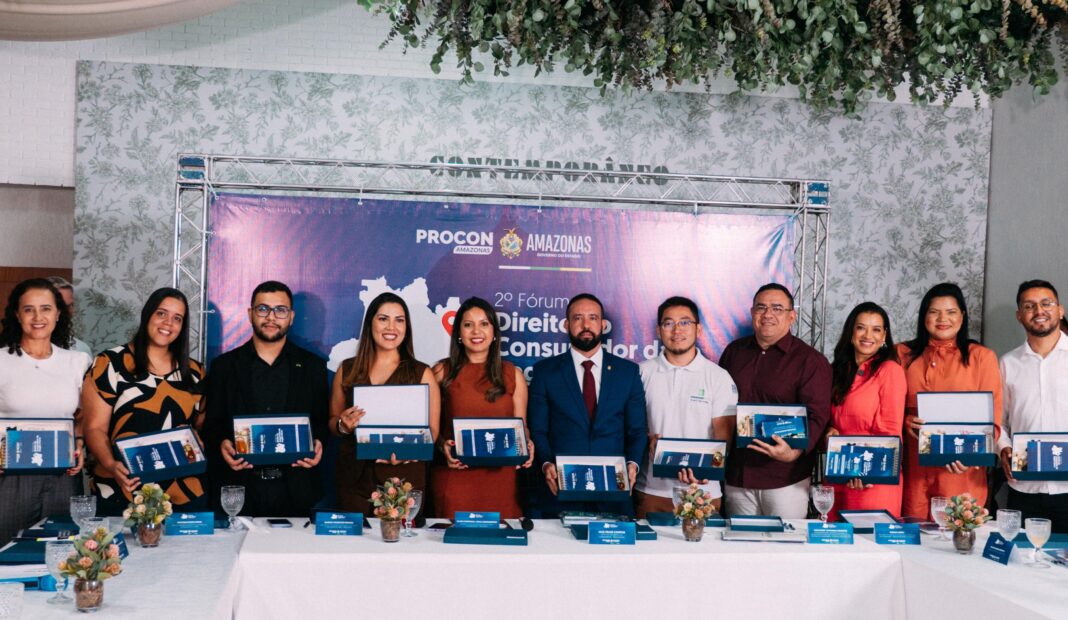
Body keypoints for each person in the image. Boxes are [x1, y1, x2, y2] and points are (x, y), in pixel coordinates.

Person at [203, 281, 328, 517]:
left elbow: (321, 421)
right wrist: (221, 443)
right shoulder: (223, 367)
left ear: (291, 317)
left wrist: (319, 442)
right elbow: (212, 424)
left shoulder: (313, 367)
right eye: (263, 309)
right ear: (250, 314)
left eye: (280, 310)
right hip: (240, 487)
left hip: (296, 489)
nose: (271, 317)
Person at [81, 287, 207, 514]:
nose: (168, 323)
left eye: (177, 318)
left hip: (182, 491)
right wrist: (111, 464)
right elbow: (94, 427)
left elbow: (200, 428)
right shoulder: (110, 364)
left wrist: (199, 438)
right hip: (123, 485)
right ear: (147, 315)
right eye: (161, 313)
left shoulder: (195, 372)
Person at [527, 293, 648, 517]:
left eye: (593, 318)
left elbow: (637, 430)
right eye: (578, 318)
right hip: (560, 489)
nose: (585, 325)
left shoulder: (627, 372)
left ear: (603, 324)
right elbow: (538, 430)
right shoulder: (545, 372)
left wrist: (633, 464)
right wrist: (546, 464)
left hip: (614, 492)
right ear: (566, 325)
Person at [719, 283, 832, 519]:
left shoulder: (811, 361)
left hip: (785, 478)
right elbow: (719, 407)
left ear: (792, 316)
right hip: (738, 476)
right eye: (761, 307)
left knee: (786, 542)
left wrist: (794, 453)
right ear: (752, 313)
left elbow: (817, 416)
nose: (768, 314)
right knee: (739, 542)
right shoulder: (733, 353)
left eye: (777, 308)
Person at [898, 282, 1002, 520]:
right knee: (913, 535)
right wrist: (904, 420)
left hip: (961, 472)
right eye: (934, 312)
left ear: (962, 316)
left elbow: (993, 419)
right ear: (924, 316)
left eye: (951, 312)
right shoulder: (901, 355)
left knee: (956, 534)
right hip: (913, 472)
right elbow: (885, 407)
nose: (942, 319)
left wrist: (972, 456)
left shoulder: (981, 357)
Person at [330, 292, 441, 515]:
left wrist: (407, 452)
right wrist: (344, 425)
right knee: (357, 537)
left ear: (406, 327)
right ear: (370, 324)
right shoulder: (347, 369)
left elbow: (433, 431)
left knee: (401, 537)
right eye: (383, 319)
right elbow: (333, 422)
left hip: (404, 482)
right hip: (355, 479)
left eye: (399, 320)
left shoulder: (422, 373)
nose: (391, 327)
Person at [0, 279, 90, 544]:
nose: (38, 317)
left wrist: (79, 441)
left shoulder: (78, 361)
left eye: (46, 309)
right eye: (29, 309)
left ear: (58, 314)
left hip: (63, 474)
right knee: (7, 552)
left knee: (62, 550)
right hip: (10, 477)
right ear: (17, 315)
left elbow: (84, 414)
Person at [634, 296, 736, 517]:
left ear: (698, 329)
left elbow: (724, 439)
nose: (677, 330)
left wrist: (706, 469)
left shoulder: (718, 377)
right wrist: (648, 439)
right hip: (651, 491)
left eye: (685, 322)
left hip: (702, 491)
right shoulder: (640, 373)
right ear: (659, 330)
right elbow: (630, 427)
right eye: (668, 323)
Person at [432, 297, 534, 519]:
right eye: (468, 324)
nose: (476, 331)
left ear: (494, 332)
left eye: (484, 324)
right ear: (459, 333)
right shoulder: (441, 372)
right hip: (456, 478)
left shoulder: (513, 374)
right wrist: (442, 446)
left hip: (501, 482)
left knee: (502, 538)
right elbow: (429, 428)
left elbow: (522, 427)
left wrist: (527, 444)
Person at [824, 302, 907, 520]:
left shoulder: (890, 371)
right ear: (851, 332)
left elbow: (891, 430)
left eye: (876, 329)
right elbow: (828, 418)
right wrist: (828, 430)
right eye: (861, 328)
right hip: (838, 474)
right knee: (833, 539)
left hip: (873, 480)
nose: (868, 335)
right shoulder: (837, 370)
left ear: (884, 336)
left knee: (870, 539)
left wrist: (871, 472)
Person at [998, 280, 1068, 532]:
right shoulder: (1007, 363)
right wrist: (1003, 448)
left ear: (1060, 310)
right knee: (1022, 553)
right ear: (1019, 316)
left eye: (1046, 303)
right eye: (1029, 306)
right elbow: (999, 420)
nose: (1039, 311)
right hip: (1023, 487)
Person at [47, 276, 93, 356]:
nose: (67, 311)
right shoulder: (24, 349)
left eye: (70, 305)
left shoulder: (81, 351)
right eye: (60, 305)